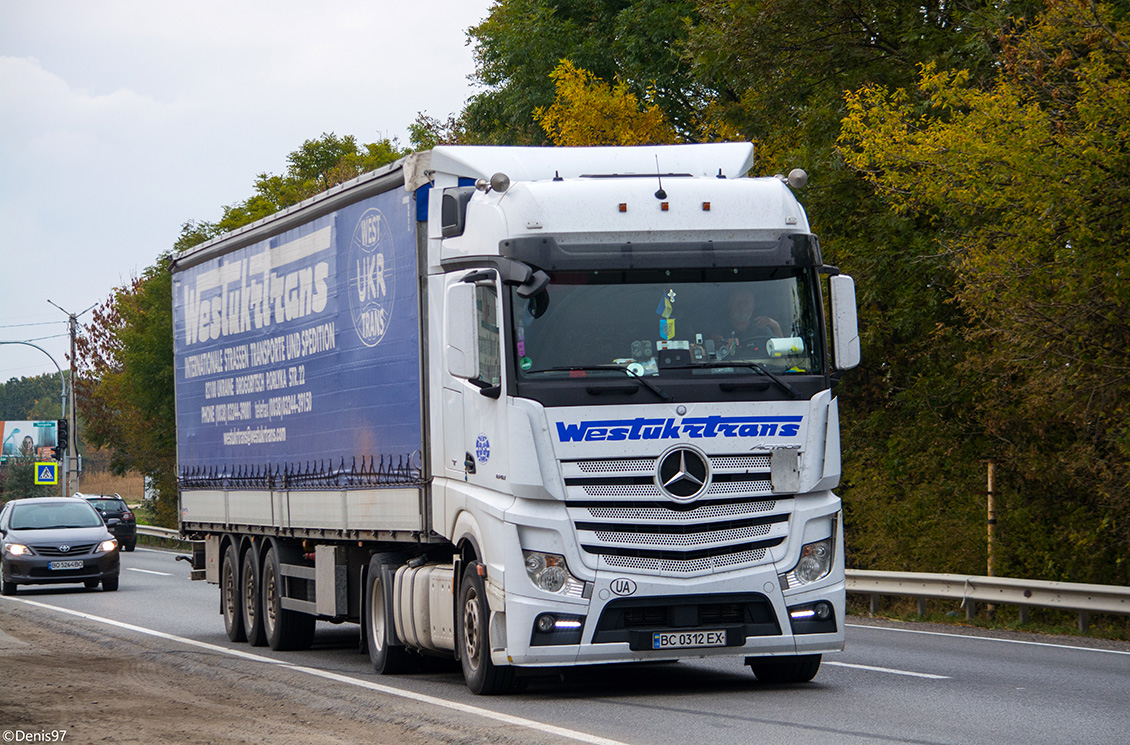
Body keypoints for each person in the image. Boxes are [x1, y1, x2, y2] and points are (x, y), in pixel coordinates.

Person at [717, 287, 781, 357]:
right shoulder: (721, 327)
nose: (742, 305)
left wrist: (776, 326)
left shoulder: (761, 327)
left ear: (753, 306)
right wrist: (723, 343)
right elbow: (714, 341)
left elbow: (780, 350)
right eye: (737, 302)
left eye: (746, 302)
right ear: (730, 305)